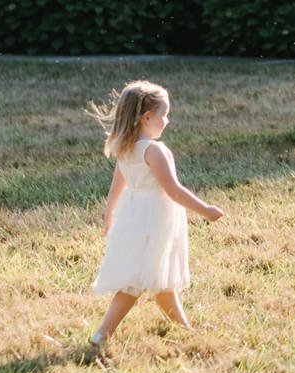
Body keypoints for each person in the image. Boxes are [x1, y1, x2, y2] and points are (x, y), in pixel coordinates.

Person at [87, 81, 223, 351]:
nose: (167, 120)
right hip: (154, 220)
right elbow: (173, 190)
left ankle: (184, 329)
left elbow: (117, 186)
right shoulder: (153, 150)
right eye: (164, 114)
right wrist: (205, 210)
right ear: (147, 117)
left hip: (134, 216)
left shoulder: (125, 149)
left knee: (161, 279)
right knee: (134, 282)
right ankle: (101, 334)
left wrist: (110, 214)